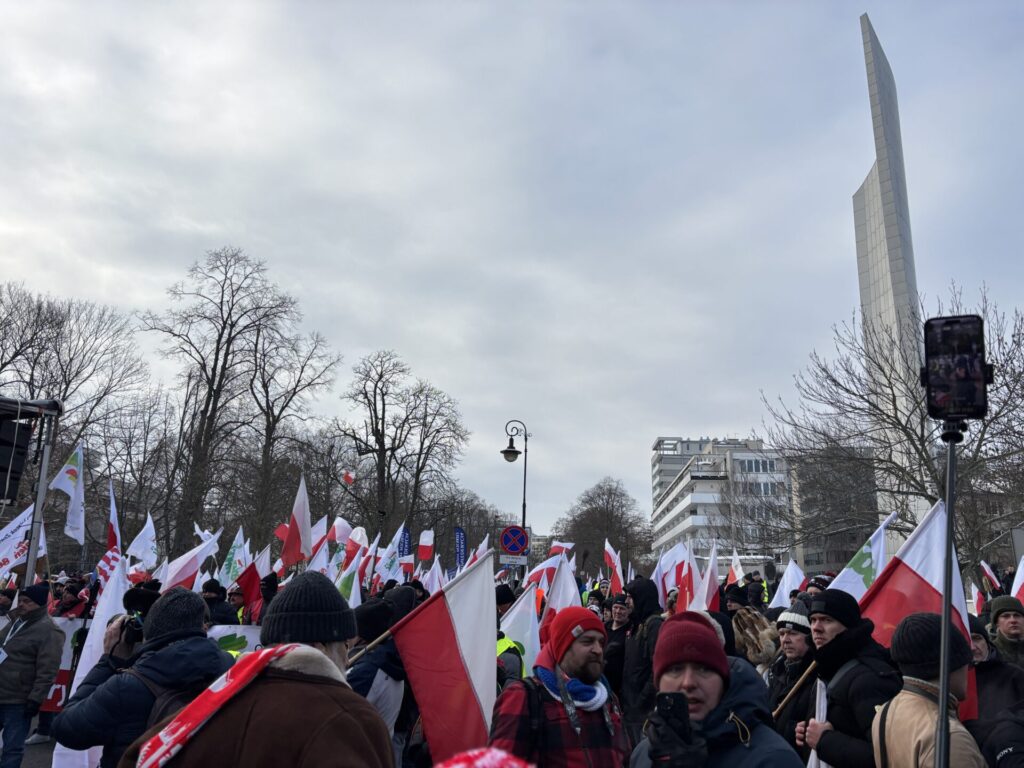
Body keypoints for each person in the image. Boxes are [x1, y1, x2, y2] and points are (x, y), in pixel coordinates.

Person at [121, 571, 393, 768]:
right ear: (321, 646)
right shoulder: (353, 721)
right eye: (345, 646)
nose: (348, 658)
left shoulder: (209, 704)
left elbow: (139, 758)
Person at [52, 587, 233, 768]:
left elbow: (66, 729)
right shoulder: (230, 669)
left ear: (151, 627)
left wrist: (108, 661)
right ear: (202, 625)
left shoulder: (127, 686)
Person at [630, 611, 802, 767]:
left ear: (724, 681)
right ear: (657, 682)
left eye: (703, 669)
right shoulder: (644, 754)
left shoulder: (774, 759)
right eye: (675, 669)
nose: (688, 682)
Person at [490, 606, 630, 767]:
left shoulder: (608, 698)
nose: (598, 650)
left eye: (601, 642)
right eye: (587, 641)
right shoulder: (524, 696)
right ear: (561, 647)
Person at [795, 589, 900, 768]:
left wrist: (826, 740)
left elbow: (890, 756)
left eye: (827, 620)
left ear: (848, 626)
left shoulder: (869, 679)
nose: (816, 627)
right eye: (813, 620)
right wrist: (808, 732)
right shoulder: (825, 671)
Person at [872, 612, 984, 767]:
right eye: (968, 663)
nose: (968, 670)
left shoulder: (886, 710)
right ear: (950, 664)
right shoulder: (949, 738)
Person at [0, 583, 64, 768]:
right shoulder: (16, 621)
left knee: (12, 748)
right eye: (20, 600)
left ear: (40, 604)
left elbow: (48, 669)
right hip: (2, 691)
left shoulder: (49, 630)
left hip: (18, 700)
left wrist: (36, 699)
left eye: (27, 601)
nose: (21, 604)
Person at [622, 577, 665, 744]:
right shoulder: (636, 624)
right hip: (632, 708)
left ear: (642, 598)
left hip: (643, 711)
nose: (626, 602)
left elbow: (657, 668)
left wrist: (641, 701)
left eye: (630, 597)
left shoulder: (654, 625)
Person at [767, 605, 815, 755]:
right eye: (781, 634)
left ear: (810, 637)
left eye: (793, 633)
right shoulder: (777, 671)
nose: (785, 640)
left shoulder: (817, 676)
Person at [970, 613, 1024, 722]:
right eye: (965, 639)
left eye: (976, 638)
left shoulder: (1014, 675)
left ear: (987, 642)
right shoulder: (948, 683)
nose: (972, 647)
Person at [604, 594, 630, 698]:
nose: (618, 611)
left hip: (620, 689)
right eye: (615, 607)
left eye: (622, 608)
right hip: (601, 682)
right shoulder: (603, 627)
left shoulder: (632, 631)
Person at [988, 595, 1024, 669]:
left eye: (1017, 615)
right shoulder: (990, 653)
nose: (1013, 620)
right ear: (997, 622)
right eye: (1006, 616)